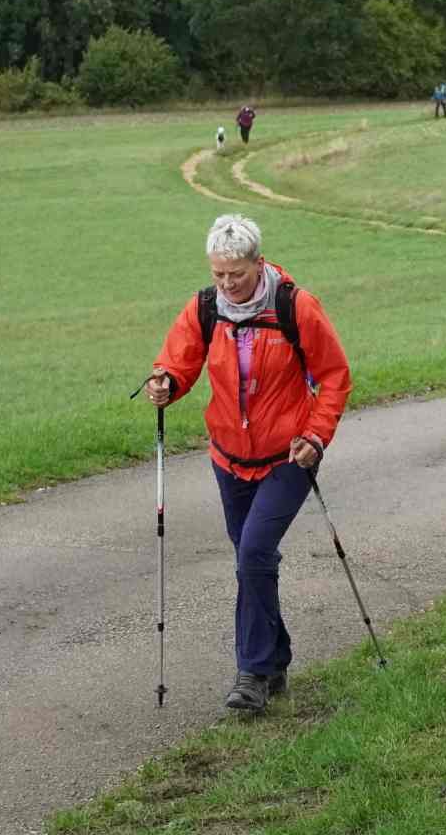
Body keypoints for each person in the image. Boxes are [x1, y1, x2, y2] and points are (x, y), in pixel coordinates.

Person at [143, 214, 352, 714]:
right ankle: (275, 658)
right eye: (218, 274)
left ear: (258, 263)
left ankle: (253, 673)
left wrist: (316, 436)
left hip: (288, 455)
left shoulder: (294, 306)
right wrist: (165, 383)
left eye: (235, 273)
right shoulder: (205, 308)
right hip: (228, 458)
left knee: (254, 552)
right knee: (249, 559)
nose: (226, 284)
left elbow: (335, 376)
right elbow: (178, 361)